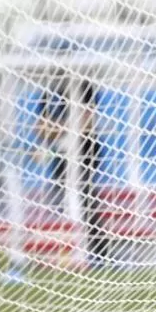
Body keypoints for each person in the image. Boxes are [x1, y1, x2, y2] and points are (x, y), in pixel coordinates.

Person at [35, 71, 109, 266]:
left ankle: (96, 251)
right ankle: (69, 250)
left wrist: (58, 128)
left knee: (83, 196)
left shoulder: (84, 85)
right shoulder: (50, 89)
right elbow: (41, 126)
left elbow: (88, 122)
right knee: (63, 198)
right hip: (61, 152)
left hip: (86, 149)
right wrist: (64, 129)